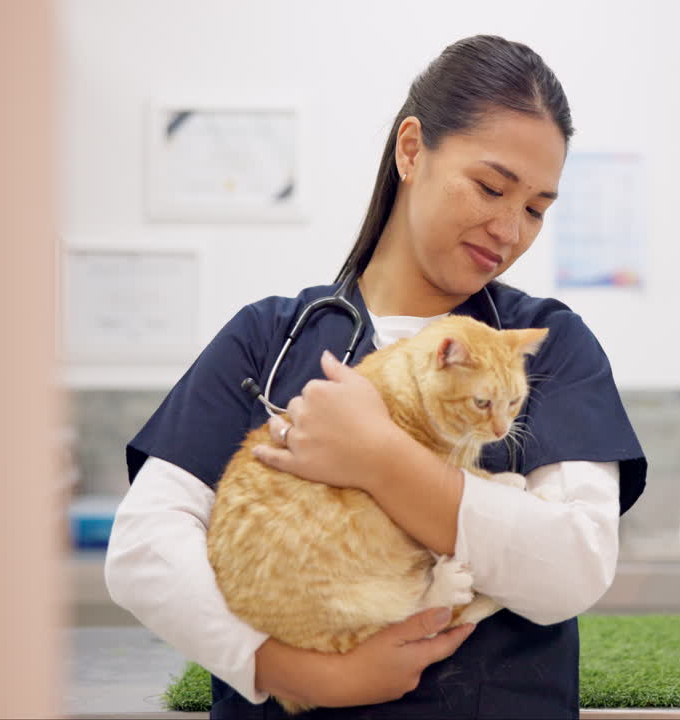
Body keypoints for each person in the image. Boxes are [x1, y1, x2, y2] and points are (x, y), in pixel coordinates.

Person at [105, 34, 647, 719]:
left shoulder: (548, 345)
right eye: (490, 186)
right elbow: (143, 549)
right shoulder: (269, 339)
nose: (510, 229)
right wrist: (289, 671)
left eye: (537, 208)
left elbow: (574, 566)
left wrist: (380, 459)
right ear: (412, 149)